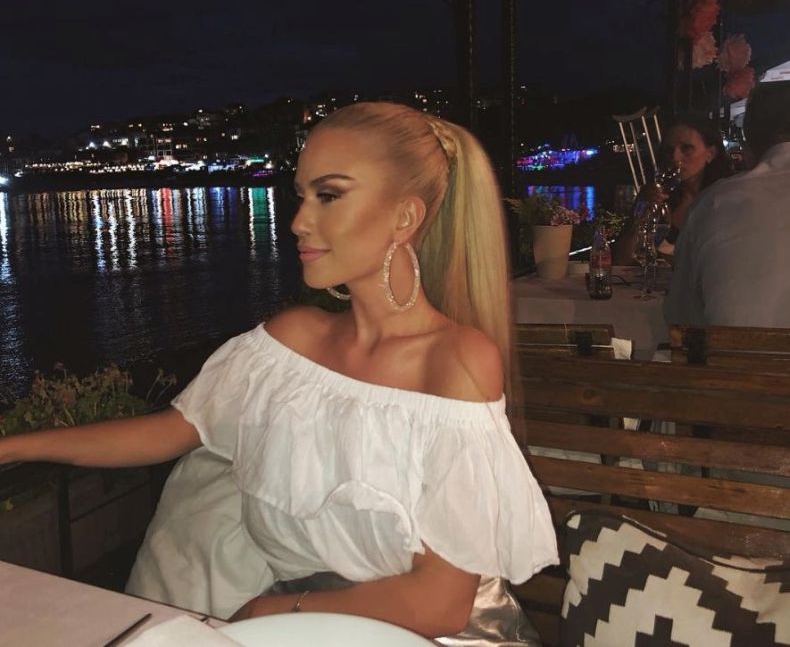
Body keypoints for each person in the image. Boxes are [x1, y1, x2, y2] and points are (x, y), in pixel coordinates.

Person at [0, 102, 558, 643]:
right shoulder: (291, 341)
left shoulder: (454, 362)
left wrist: (272, 611)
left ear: (405, 217)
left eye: (329, 196)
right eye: (301, 195)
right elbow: (167, 431)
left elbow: (442, 604)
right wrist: (14, 447)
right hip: (308, 624)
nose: (298, 221)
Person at [664, 82, 790, 327]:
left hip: (736, 351)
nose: (675, 159)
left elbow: (680, 316)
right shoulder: (699, 199)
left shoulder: (715, 202)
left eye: (686, 149)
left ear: (749, 138)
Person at [613, 112, 733, 265]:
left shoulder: (726, 199)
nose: (675, 158)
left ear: (710, 154)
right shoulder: (662, 200)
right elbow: (622, 260)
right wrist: (640, 208)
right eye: (669, 150)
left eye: (686, 148)